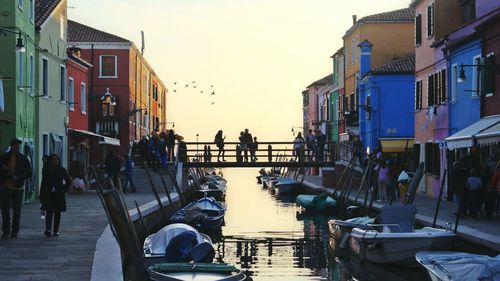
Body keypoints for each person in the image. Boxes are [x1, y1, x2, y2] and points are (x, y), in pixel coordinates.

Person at [0, 138, 32, 238]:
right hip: (5, 186)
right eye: (14, 145)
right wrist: (3, 170)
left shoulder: (23, 158)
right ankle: (5, 231)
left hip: (18, 187)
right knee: (5, 209)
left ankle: (14, 231)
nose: (16, 147)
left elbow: (29, 173)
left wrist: (18, 177)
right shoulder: (4, 157)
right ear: (11, 146)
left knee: (17, 211)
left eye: (18, 145)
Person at [39, 154, 71, 237]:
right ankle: (48, 229)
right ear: (50, 160)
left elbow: (68, 181)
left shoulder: (61, 170)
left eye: (57, 159)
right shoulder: (46, 170)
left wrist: (64, 189)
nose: (56, 161)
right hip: (48, 194)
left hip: (58, 194)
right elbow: (43, 183)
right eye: (54, 159)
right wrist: (41, 195)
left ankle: (56, 230)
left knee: (57, 213)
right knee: (49, 212)